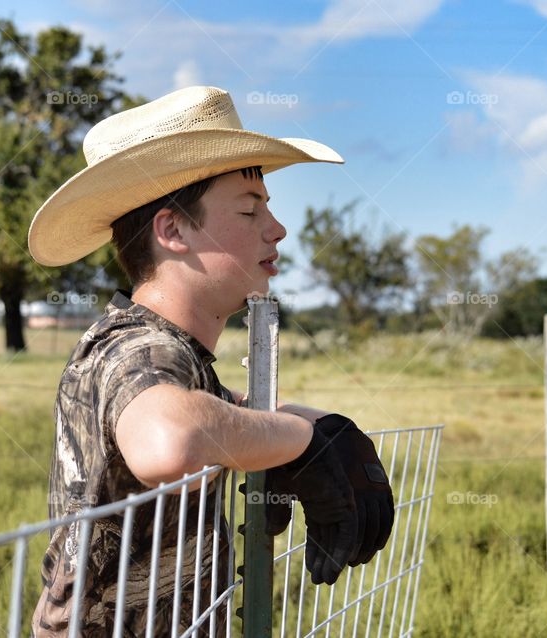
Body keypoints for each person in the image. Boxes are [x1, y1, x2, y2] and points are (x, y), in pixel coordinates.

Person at [27, 85, 394, 637]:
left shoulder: (178, 359)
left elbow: (226, 411)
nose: (277, 228)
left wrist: (325, 432)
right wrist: (303, 443)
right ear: (172, 230)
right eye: (249, 210)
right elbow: (170, 439)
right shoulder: (136, 349)